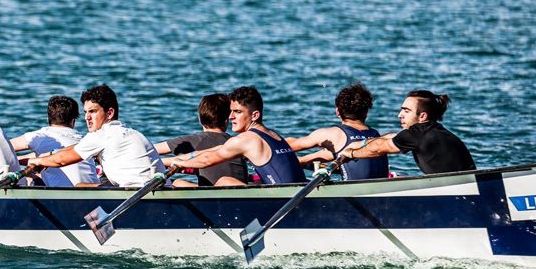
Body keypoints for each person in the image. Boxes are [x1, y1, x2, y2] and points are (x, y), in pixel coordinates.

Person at [27, 84, 165, 188]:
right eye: (86, 112)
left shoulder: (103, 135)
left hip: (140, 196)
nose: (87, 117)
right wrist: (46, 158)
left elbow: (62, 160)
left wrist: (38, 162)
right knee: (81, 186)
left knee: (80, 189)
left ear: (109, 113)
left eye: (93, 111)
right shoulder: (130, 132)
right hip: (156, 189)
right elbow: (72, 149)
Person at [172, 86, 304, 186]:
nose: (231, 117)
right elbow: (216, 150)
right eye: (231, 112)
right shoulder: (273, 134)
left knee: (224, 181)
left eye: (238, 112)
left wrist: (182, 164)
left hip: (284, 201)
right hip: (298, 193)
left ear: (255, 115)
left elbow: (208, 159)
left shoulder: (247, 139)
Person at [337, 89, 476, 174]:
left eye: (406, 111)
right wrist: (362, 142)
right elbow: (393, 137)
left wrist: (352, 153)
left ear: (422, 116)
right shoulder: (432, 131)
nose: (400, 115)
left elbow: (380, 149)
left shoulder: (418, 133)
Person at [286, 82, 389, 180]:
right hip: (381, 190)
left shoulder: (334, 134)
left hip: (352, 192)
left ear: (338, 112)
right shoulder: (376, 135)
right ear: (366, 112)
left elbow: (288, 146)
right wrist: (301, 161)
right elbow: (334, 153)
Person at [155, 93, 248, 187]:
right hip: (239, 187)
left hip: (213, 193)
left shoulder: (195, 140)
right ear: (227, 120)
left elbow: (151, 150)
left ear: (199, 119)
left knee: (178, 182)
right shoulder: (237, 142)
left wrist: (162, 163)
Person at [8, 95, 98, 187]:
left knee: (29, 177)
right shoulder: (83, 140)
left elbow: (3, 147)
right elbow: (51, 153)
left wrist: (14, 161)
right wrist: (20, 160)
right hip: (92, 192)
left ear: (48, 119)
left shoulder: (40, 135)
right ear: (73, 121)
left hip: (61, 195)